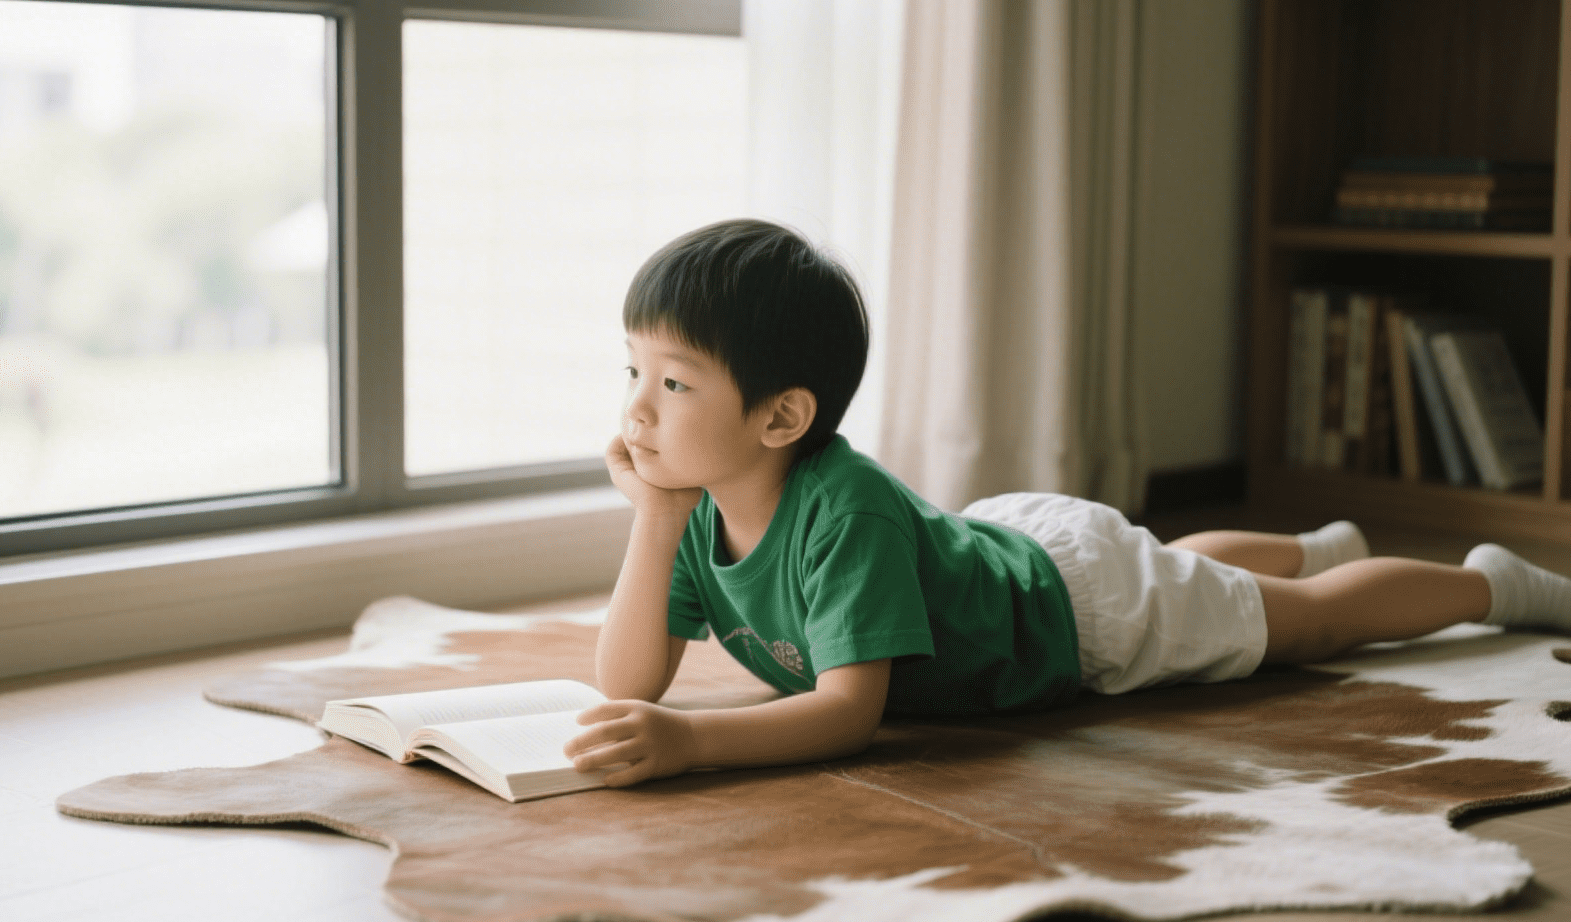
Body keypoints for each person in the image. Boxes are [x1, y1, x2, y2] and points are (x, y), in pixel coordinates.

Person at [563, 219, 1571, 787]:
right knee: (1183, 570)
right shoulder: (695, 508)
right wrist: (652, 518)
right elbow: (630, 678)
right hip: (1016, 548)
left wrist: (696, 740)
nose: (637, 409)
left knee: (1309, 627)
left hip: (1082, 615)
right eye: (633, 371)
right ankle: (1302, 543)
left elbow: (847, 712)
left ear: (782, 416)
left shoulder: (845, 510)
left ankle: (1488, 584)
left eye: (674, 382)